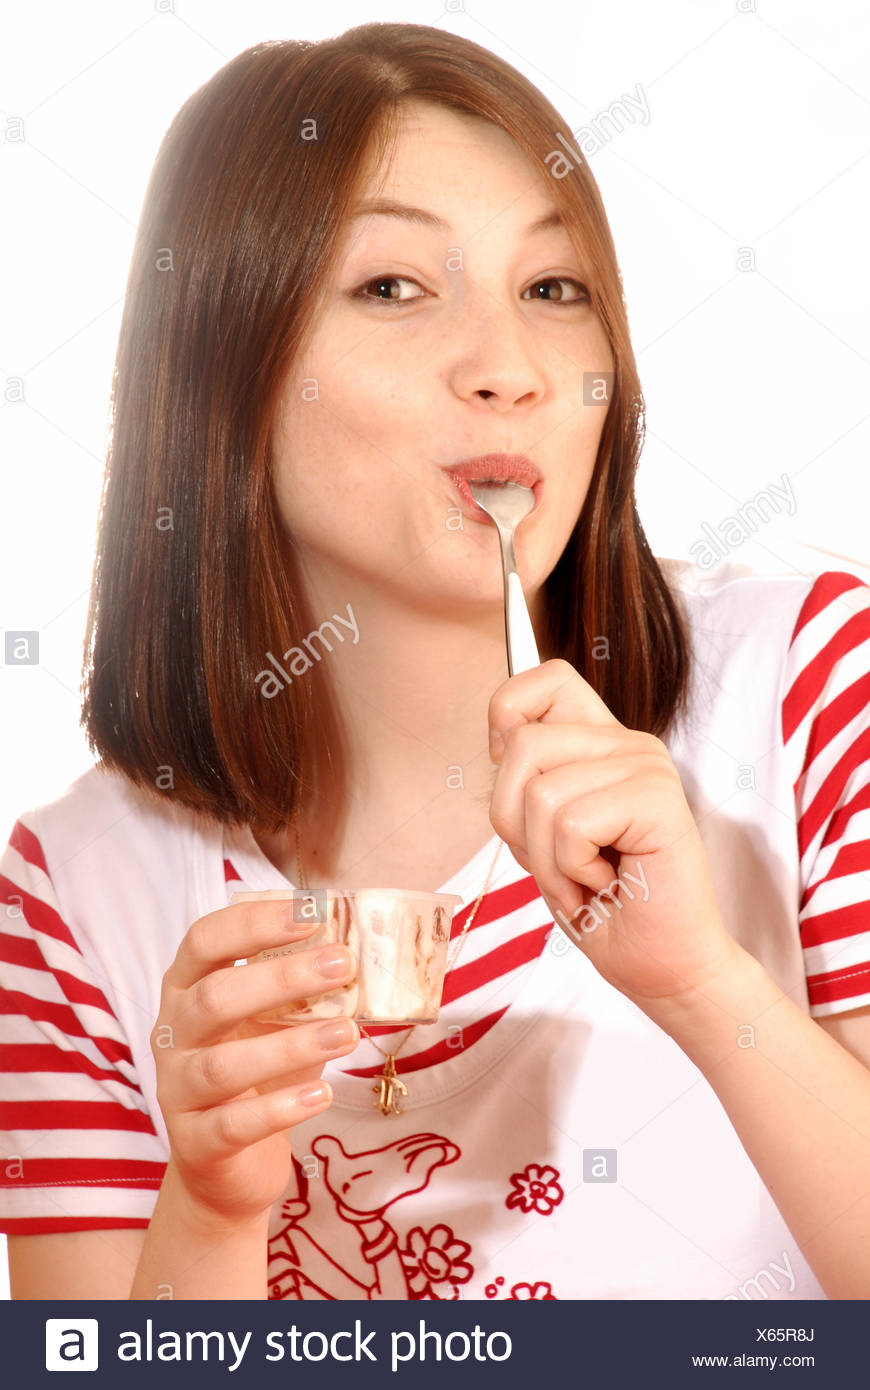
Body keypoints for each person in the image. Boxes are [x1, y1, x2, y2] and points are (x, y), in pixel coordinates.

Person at [2, 22, 869, 1303]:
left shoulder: (803, 686)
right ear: (221, 369)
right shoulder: (75, 898)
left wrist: (702, 986)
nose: (512, 371)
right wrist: (215, 1204)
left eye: (554, 289)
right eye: (395, 288)